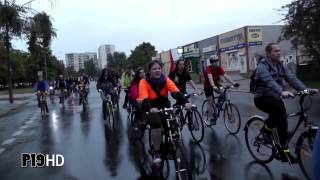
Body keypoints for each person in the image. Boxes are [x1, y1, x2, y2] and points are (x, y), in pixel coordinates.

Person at [254, 43, 311, 162]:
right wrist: (282, 91)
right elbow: (269, 82)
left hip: (274, 96)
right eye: (275, 51)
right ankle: (277, 145)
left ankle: (273, 139)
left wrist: (305, 90)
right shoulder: (262, 67)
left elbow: (292, 78)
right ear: (268, 54)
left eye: (279, 50)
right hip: (262, 98)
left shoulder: (280, 65)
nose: (279, 53)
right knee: (280, 115)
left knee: (281, 120)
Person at [137, 60, 192, 165]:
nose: (157, 70)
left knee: (173, 122)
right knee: (156, 124)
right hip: (150, 106)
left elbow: (176, 92)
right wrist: (150, 108)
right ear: (149, 71)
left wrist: (186, 102)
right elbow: (143, 98)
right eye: (154, 69)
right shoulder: (144, 82)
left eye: (159, 68)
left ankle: (173, 142)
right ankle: (156, 151)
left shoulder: (165, 79)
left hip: (164, 105)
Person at [203, 55, 239, 125]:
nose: (216, 63)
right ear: (211, 63)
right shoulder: (208, 69)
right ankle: (211, 118)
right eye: (215, 62)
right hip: (208, 86)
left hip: (216, 84)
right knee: (210, 101)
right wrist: (213, 86)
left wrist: (234, 83)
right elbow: (210, 78)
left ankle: (218, 105)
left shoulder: (219, 68)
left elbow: (226, 76)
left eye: (217, 61)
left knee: (223, 92)